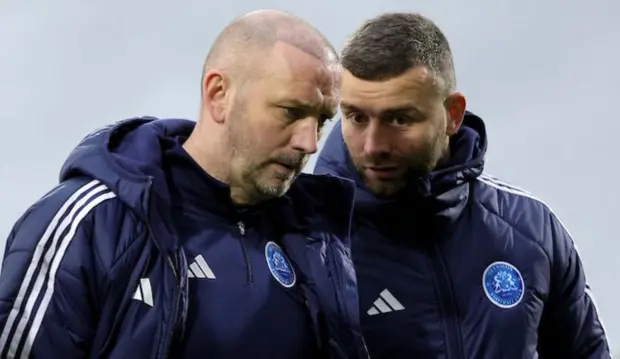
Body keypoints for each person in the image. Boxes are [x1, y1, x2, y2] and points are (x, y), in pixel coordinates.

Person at [0, 9, 370, 359]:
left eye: (321, 120)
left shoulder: (318, 241)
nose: (309, 142)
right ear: (218, 95)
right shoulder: (94, 222)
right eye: (291, 112)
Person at [314, 12, 611, 359]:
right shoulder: (311, 246)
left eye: (399, 119)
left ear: (452, 115)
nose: (373, 145)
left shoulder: (532, 231)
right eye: (356, 117)